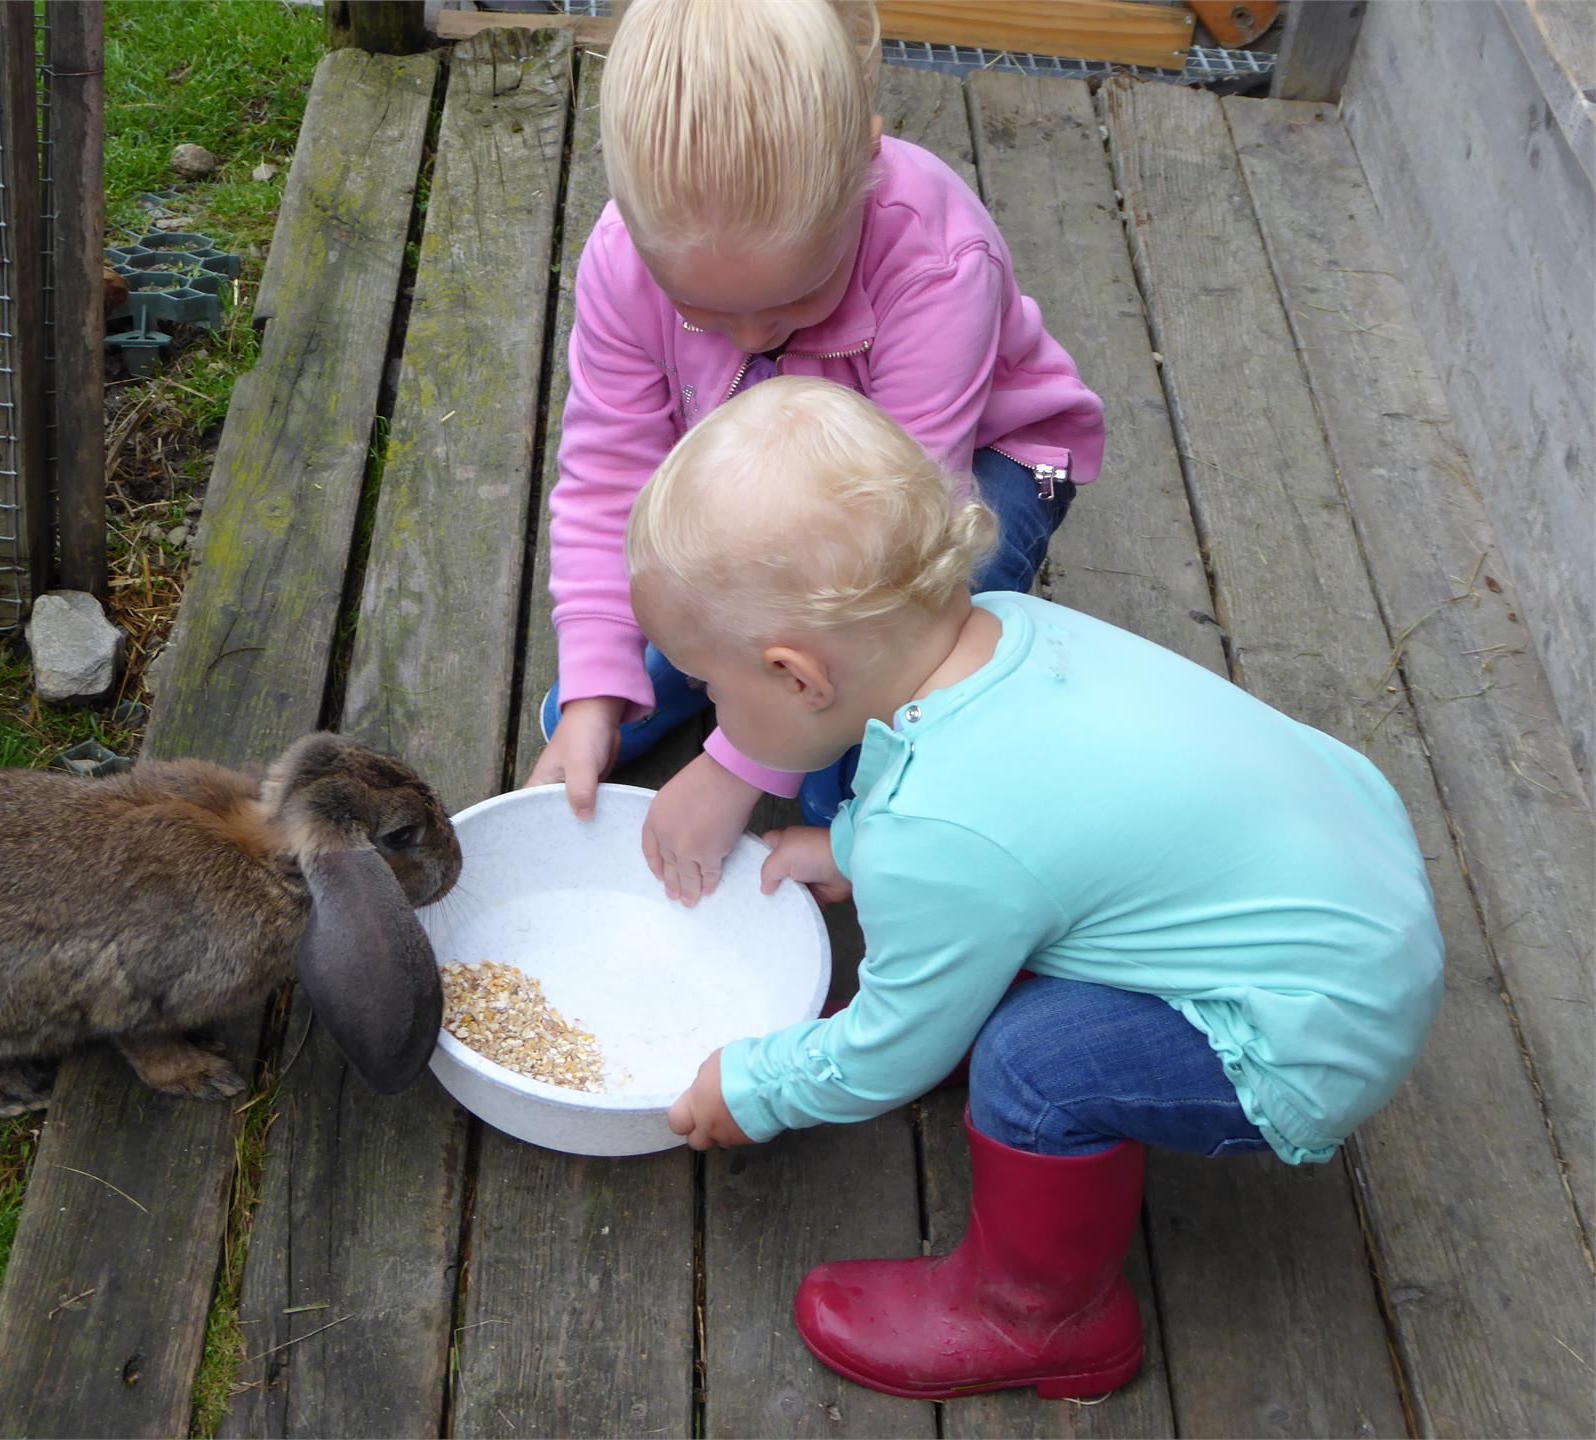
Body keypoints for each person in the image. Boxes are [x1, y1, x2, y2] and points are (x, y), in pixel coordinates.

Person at [628, 377, 1444, 1402]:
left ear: (799, 676)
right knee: (1026, 973)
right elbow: (1027, 817)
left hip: (1307, 1033)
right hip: (1354, 884)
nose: (707, 705)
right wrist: (851, 844)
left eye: (709, 686)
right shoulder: (1002, 627)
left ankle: (1044, 1317)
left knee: (1032, 1062)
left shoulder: (938, 838)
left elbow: (891, 1046)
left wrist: (754, 1087)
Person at [526, 0, 1104, 908]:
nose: (750, 334)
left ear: (863, 169)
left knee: (862, 761)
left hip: (961, 482)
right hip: (762, 490)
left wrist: (740, 766)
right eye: (703, 317)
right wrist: (599, 680)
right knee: (636, 669)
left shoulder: (936, 266)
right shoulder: (623, 261)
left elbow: (892, 564)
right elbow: (608, 478)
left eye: (797, 301)